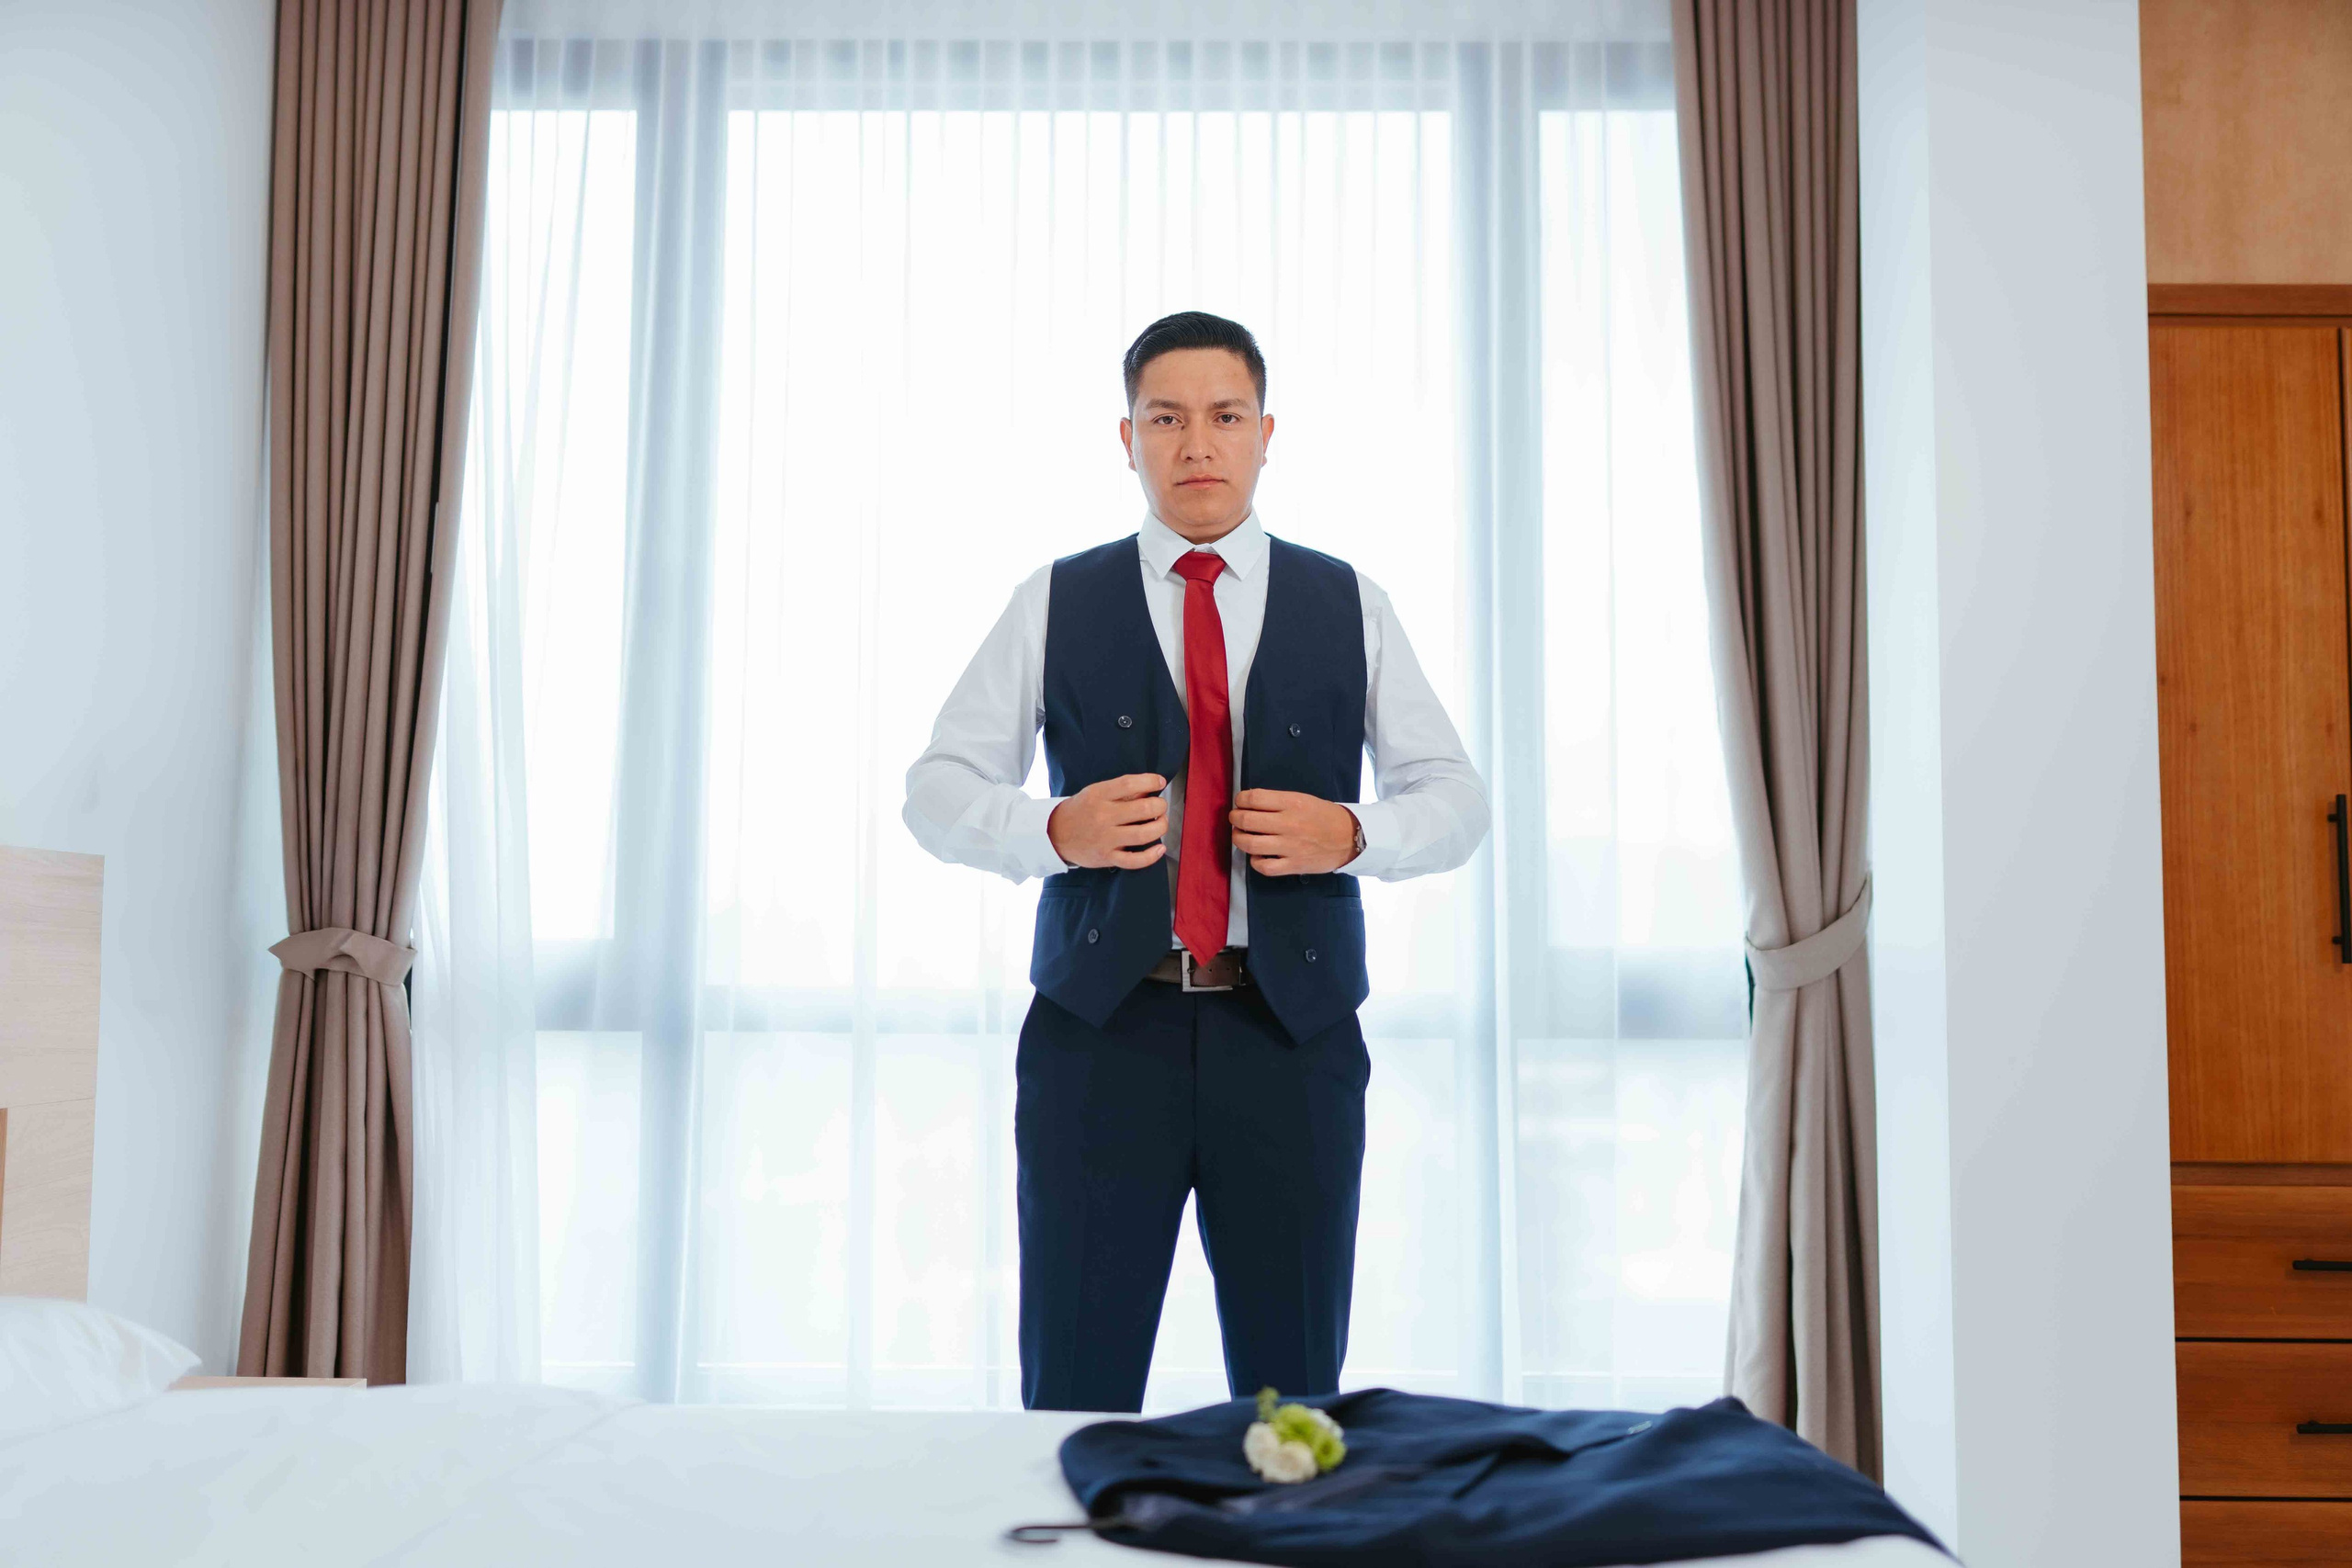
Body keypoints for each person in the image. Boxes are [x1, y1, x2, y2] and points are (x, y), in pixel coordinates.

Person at [903, 310, 1488, 1413]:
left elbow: (1457, 800)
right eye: (1164, 418)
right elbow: (934, 789)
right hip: (1096, 1042)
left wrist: (1355, 836)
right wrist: (1049, 831)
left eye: (1224, 417)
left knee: (1292, 1398)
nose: (1196, 444)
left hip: (1292, 1040)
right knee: (1074, 1388)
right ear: (1125, 438)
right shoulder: (1054, 598)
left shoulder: (1349, 600)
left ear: (1268, 433)